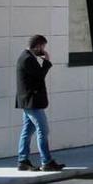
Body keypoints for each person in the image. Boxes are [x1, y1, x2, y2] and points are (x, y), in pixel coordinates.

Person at [15, 34, 64, 172]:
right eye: (43, 47)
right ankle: (46, 161)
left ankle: (22, 160)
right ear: (38, 46)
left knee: (27, 130)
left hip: (28, 101)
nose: (43, 49)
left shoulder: (26, 57)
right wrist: (47, 62)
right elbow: (39, 77)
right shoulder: (28, 59)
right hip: (32, 102)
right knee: (43, 130)